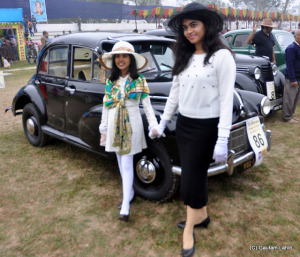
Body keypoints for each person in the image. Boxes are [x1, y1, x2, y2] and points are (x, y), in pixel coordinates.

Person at [150, 3, 236, 257]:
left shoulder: (222, 56)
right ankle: (202, 216)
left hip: (207, 127)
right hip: (185, 124)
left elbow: (226, 100)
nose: (189, 31)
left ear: (206, 25)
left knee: (190, 178)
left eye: (194, 25)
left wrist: (223, 138)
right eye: (186, 27)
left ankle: (189, 227)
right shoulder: (183, 55)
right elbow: (176, 92)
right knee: (192, 174)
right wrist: (164, 122)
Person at [98, 41, 158, 222]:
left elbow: (147, 105)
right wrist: (104, 128)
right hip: (114, 122)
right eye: (117, 56)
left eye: (124, 56)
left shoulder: (140, 80)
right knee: (119, 158)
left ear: (131, 59)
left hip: (132, 124)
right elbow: (106, 106)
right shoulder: (111, 81)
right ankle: (130, 192)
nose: (121, 60)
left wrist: (154, 124)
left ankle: (125, 204)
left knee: (126, 162)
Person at [282, 29, 300, 124]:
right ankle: (287, 117)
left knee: (295, 98)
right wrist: (293, 79)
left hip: (298, 77)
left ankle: (291, 115)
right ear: (295, 37)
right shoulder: (291, 48)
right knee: (289, 98)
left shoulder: (298, 48)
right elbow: (290, 65)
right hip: (292, 78)